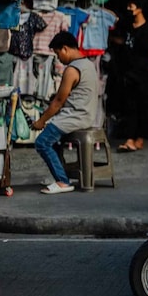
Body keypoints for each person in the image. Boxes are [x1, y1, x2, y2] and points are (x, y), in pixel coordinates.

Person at [30, 31, 98, 194]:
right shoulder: (88, 64)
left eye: (57, 53)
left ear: (65, 49)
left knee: (42, 142)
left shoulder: (72, 70)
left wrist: (40, 121)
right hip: (85, 115)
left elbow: (58, 102)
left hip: (74, 117)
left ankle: (63, 181)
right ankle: (59, 174)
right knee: (53, 141)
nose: (58, 57)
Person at [117, 0, 148, 153]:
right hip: (129, 73)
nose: (129, 8)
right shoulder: (129, 27)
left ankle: (139, 138)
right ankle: (130, 139)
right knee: (130, 107)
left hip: (143, 74)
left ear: (139, 8)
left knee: (142, 107)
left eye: (131, 5)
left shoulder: (147, 31)